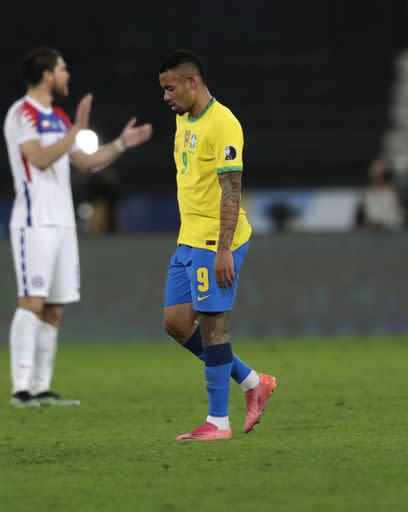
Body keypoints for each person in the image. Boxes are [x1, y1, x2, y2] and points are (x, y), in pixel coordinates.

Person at [3, 47, 152, 408]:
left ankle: (41, 387)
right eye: (63, 68)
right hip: (34, 220)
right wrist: (75, 132)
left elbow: (84, 162)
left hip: (63, 222)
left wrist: (119, 144)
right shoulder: (22, 114)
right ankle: (20, 388)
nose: (68, 75)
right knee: (32, 301)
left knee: (54, 307)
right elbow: (38, 159)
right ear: (47, 75)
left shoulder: (56, 116)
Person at [158, 49, 277, 441]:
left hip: (216, 237)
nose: (166, 96)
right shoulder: (183, 120)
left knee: (212, 324)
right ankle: (252, 382)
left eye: (170, 87)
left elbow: (232, 189)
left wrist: (224, 248)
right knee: (176, 323)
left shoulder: (224, 123)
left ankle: (218, 423)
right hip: (188, 237)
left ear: (193, 82)